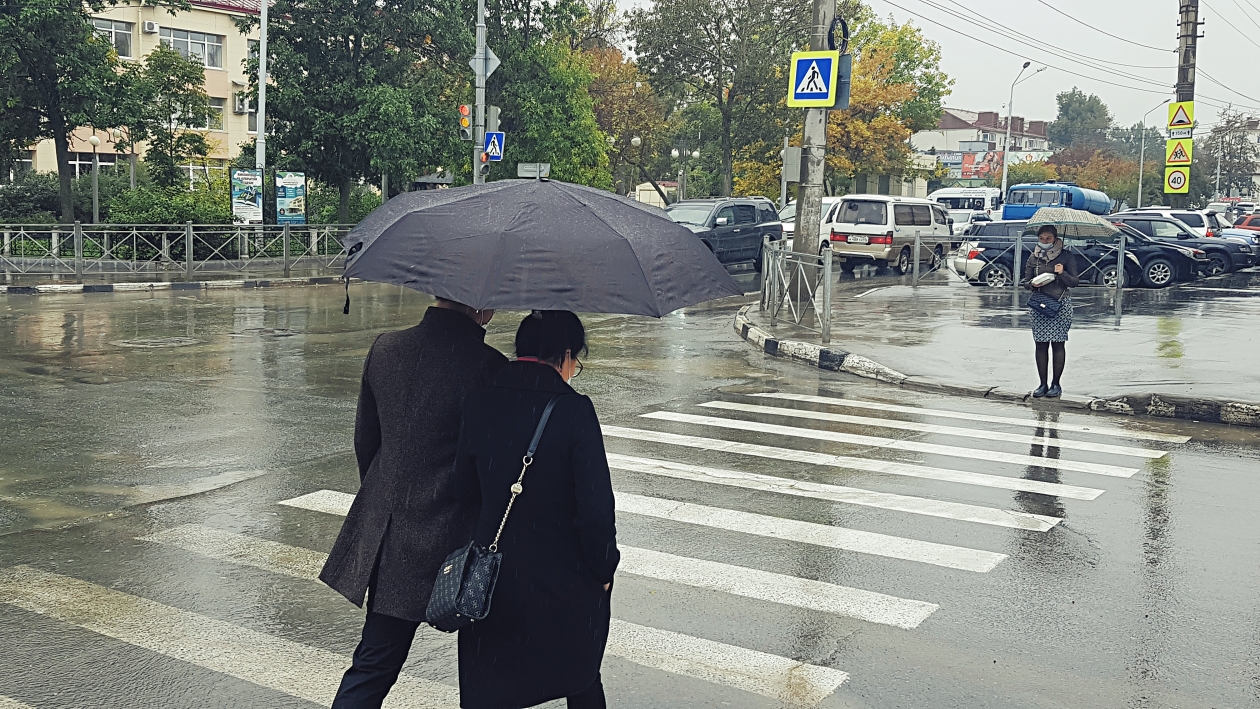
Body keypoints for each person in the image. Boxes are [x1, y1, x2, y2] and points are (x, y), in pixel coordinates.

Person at [322, 298, 507, 708]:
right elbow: (489, 465)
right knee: (483, 670)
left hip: (391, 533)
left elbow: (365, 442)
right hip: (461, 539)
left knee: (374, 663)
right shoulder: (490, 367)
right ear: (480, 305)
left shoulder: (386, 348)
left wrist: (388, 500)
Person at [453, 311, 619, 709]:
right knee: (579, 677)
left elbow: (463, 488)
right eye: (575, 363)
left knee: (491, 684)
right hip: (563, 582)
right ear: (564, 355)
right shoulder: (575, 410)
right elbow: (596, 511)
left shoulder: (480, 400)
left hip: (493, 580)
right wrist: (603, 569)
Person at [1024, 224, 1079, 398]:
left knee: (1057, 343)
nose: (1045, 242)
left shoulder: (1066, 256)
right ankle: (1042, 384)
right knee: (1040, 344)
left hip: (1060, 303)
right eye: (1041, 239)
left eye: (1048, 238)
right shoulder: (1034, 258)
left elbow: (1074, 282)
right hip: (1039, 304)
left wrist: (1062, 273)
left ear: (1055, 238)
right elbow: (1024, 282)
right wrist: (1032, 284)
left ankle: (1056, 384)